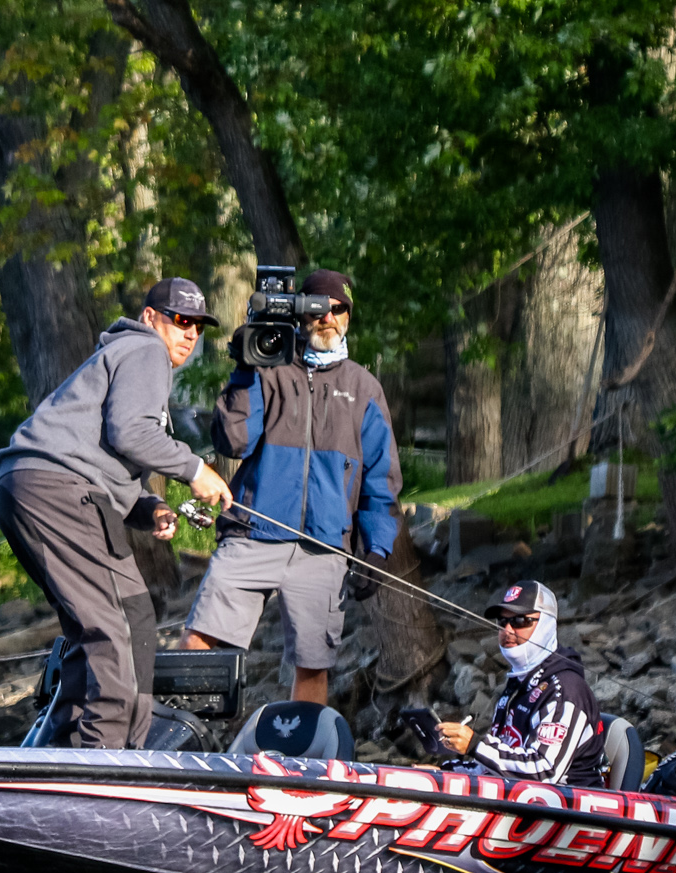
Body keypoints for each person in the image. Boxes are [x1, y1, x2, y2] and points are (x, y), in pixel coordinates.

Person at [0, 278, 233, 749]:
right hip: (58, 489)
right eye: (180, 321)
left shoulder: (122, 358)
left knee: (129, 615)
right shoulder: (145, 352)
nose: (189, 334)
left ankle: (57, 751)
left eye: (198, 327)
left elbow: (102, 453)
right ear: (149, 317)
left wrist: (149, 508)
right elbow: (130, 435)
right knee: (113, 624)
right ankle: (103, 758)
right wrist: (195, 470)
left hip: (32, 485)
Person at [182, 269, 400, 706]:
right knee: (200, 639)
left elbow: (381, 482)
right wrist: (247, 369)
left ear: (348, 317)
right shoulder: (268, 369)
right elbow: (234, 441)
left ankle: (302, 766)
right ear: (301, 316)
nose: (327, 318)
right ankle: (190, 738)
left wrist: (377, 549)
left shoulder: (365, 388)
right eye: (318, 308)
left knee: (312, 665)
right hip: (253, 534)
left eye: (337, 309)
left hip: (324, 545)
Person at [437, 580, 606, 787]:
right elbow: (496, 763)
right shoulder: (518, 685)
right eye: (502, 622)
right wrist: (442, 774)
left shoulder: (565, 688)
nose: (508, 630)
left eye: (520, 621)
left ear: (546, 624)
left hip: (573, 810)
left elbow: (545, 771)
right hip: (522, 802)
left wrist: (475, 745)